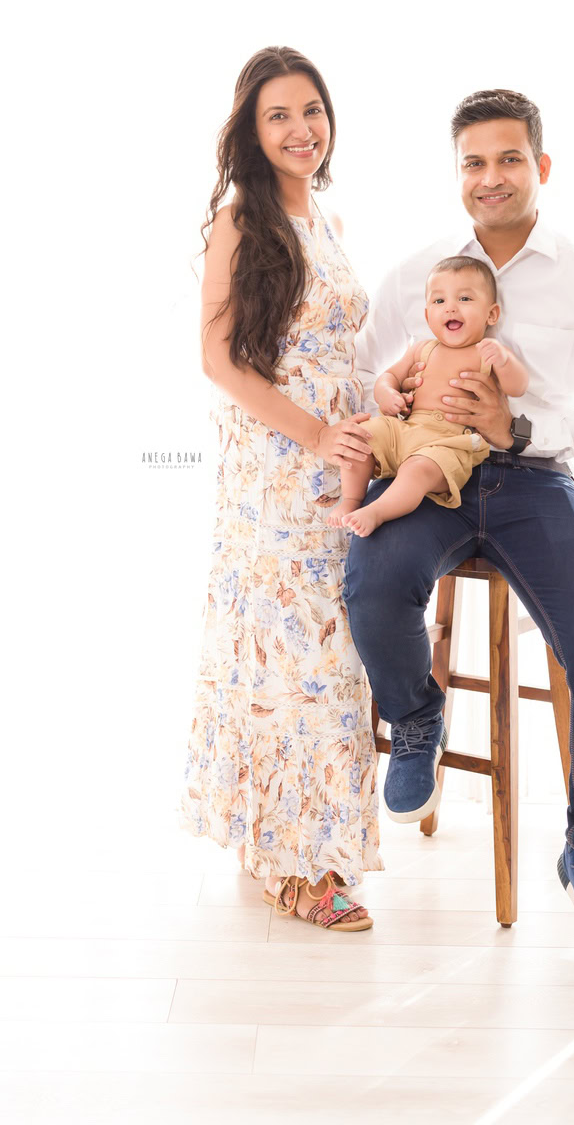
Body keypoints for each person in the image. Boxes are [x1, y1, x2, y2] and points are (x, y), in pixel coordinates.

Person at [344, 89, 574, 977]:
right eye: (474, 162)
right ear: (458, 175)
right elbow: (364, 366)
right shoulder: (421, 273)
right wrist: (388, 395)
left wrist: (522, 432)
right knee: (369, 584)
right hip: (425, 473)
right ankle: (416, 717)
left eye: (509, 159)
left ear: (540, 168)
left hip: (531, 479)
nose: (491, 178)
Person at [177, 46, 383, 932]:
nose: (301, 129)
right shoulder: (240, 221)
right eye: (278, 116)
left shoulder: (326, 220)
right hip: (276, 471)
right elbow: (219, 359)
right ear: (251, 134)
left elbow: (339, 353)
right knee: (292, 667)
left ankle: (301, 843)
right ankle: (294, 864)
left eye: (312, 110)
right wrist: (313, 432)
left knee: (339, 660)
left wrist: (381, 399)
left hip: (345, 464)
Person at [328, 256, 528, 536]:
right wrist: (386, 394)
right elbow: (389, 376)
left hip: (448, 441)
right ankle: (351, 499)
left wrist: (504, 362)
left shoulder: (487, 351)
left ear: (491, 314)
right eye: (439, 301)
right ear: (426, 316)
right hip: (407, 428)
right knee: (360, 437)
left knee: (417, 471)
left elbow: (517, 387)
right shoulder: (422, 348)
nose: (451, 308)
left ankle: (378, 511)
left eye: (465, 299)